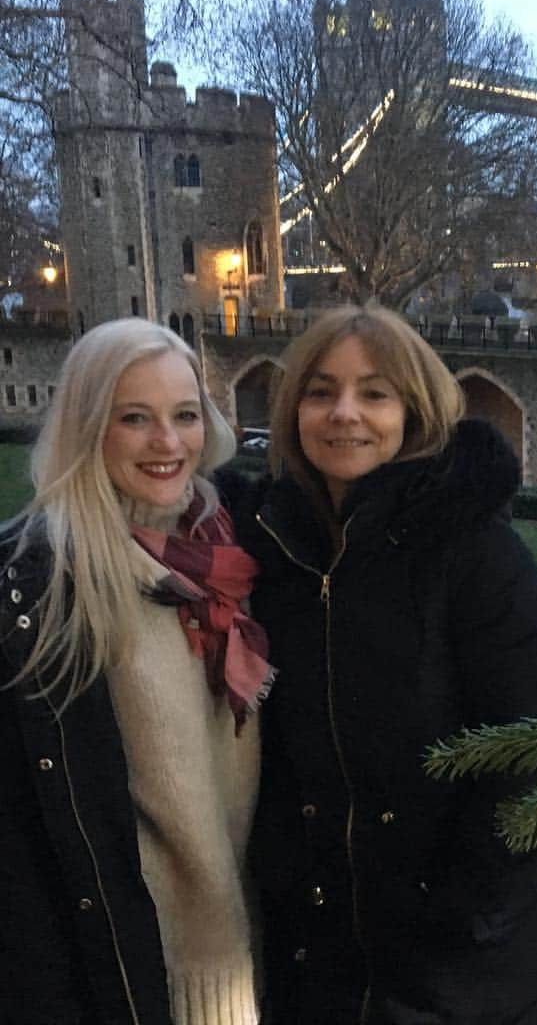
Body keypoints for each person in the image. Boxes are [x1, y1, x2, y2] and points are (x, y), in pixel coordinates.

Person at [243, 304, 537, 1024]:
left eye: (374, 393)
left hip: (458, 968)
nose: (344, 414)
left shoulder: (479, 556)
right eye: (321, 391)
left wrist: (447, 913)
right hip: (315, 952)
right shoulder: (269, 549)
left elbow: (530, 756)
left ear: (414, 412)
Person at [0, 318, 270, 1025]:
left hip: (245, 962)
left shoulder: (223, 548)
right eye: (135, 419)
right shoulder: (36, 586)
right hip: (124, 978)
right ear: (89, 425)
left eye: (184, 416)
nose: (168, 443)